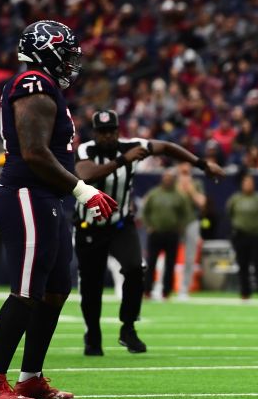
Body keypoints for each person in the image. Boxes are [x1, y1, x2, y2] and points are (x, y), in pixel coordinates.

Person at [0, 20, 118, 399]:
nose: (71, 61)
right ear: (46, 50)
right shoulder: (33, 84)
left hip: (47, 199)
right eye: (66, 53)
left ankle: (31, 377)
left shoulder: (47, 86)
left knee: (55, 289)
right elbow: (35, 152)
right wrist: (82, 188)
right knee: (27, 291)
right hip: (26, 194)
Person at [74, 109, 223, 355]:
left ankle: (128, 328)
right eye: (102, 132)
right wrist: (124, 160)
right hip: (89, 227)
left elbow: (166, 147)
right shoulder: (86, 150)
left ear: (118, 131)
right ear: (95, 133)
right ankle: (93, 334)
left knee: (135, 268)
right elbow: (86, 175)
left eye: (111, 131)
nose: (107, 137)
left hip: (121, 224)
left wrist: (201, 163)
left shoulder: (132, 145)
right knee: (92, 284)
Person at [140, 170, 193, 300]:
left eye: (170, 178)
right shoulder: (154, 194)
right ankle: (147, 290)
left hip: (172, 233)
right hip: (156, 232)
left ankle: (166, 291)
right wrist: (149, 226)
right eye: (166, 177)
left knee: (170, 264)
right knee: (151, 262)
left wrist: (180, 227)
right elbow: (145, 211)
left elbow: (186, 214)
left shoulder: (179, 196)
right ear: (162, 179)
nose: (168, 180)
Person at [227, 174, 258, 299]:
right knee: (242, 265)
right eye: (246, 182)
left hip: (256, 235)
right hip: (240, 235)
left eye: (250, 182)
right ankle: (245, 292)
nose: (248, 185)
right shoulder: (235, 199)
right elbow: (229, 213)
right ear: (242, 184)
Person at [174, 161, 208, 300]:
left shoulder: (197, 184)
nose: (184, 168)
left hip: (191, 221)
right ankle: (162, 286)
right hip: (174, 223)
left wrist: (190, 189)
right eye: (182, 164)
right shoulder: (172, 183)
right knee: (167, 255)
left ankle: (184, 288)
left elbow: (202, 202)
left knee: (189, 257)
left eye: (187, 165)